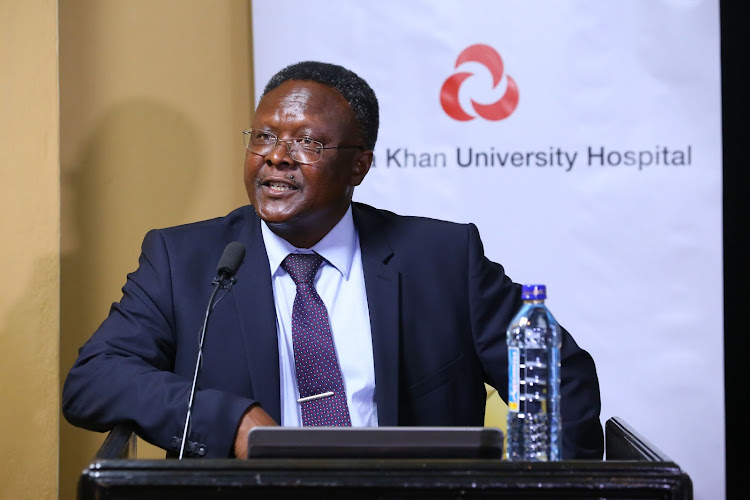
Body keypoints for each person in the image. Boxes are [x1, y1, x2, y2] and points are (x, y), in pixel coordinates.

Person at [62, 60, 603, 460]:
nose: (276, 155)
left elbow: (562, 375)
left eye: (307, 143)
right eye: (265, 136)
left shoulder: (442, 259)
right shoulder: (186, 260)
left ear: (359, 167)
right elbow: (95, 380)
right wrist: (229, 421)